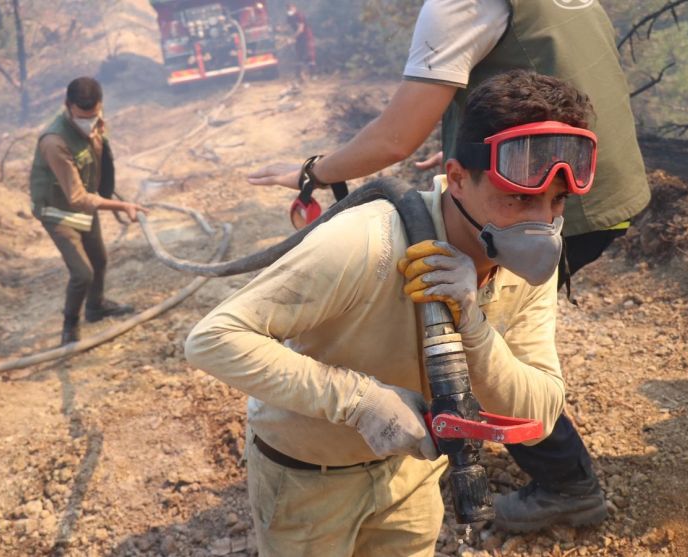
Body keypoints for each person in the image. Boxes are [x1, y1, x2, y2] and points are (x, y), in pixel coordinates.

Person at [247, 0, 650, 532]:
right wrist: (481, 162)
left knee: (488, 329)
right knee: (484, 321)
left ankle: (565, 484)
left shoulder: (457, 4)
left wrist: (314, 172)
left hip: (536, 195)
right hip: (591, 185)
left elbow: (396, 137)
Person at [187, 70, 597, 556]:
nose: (542, 223)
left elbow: (539, 411)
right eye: (518, 199)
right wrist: (360, 402)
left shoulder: (524, 266)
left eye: (556, 202)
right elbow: (214, 339)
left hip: (412, 474)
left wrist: (474, 326)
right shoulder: (367, 243)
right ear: (459, 179)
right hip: (308, 479)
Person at [29, 77, 147, 345]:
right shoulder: (54, 142)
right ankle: (69, 327)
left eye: (94, 115)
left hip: (84, 207)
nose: (90, 122)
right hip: (57, 212)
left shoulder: (96, 122)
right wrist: (122, 206)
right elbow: (77, 196)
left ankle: (95, 307)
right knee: (82, 273)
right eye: (83, 117)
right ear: (68, 106)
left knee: (100, 260)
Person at [285, 3, 316, 80]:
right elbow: (288, 28)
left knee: (310, 55)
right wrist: (287, 37)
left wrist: (292, 38)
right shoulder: (289, 17)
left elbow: (300, 29)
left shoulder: (299, 16)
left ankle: (313, 75)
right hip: (299, 39)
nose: (289, 10)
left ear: (294, 8)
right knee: (299, 56)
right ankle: (298, 75)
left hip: (306, 37)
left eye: (291, 8)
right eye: (288, 9)